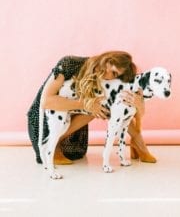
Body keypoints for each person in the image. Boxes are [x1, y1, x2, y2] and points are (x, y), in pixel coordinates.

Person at [27, 50, 156, 165]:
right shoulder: (69, 63)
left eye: (114, 74)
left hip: (70, 129)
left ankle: (138, 143)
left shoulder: (106, 82)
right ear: (107, 56)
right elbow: (46, 102)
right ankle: (52, 146)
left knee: (110, 105)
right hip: (43, 124)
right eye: (110, 63)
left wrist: (139, 104)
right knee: (97, 106)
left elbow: (132, 114)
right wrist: (87, 105)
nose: (107, 71)